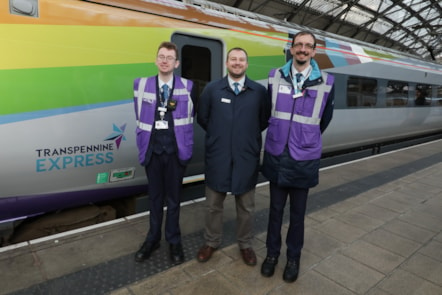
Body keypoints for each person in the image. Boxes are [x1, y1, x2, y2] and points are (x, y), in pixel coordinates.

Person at [260, 31, 335, 283]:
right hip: (277, 155)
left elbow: (323, 120)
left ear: (314, 52)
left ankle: (293, 258)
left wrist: (304, 137)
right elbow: (266, 113)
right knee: (275, 211)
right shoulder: (275, 77)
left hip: (304, 158)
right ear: (291, 49)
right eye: (298, 45)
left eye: (308, 46)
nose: (302, 49)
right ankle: (271, 255)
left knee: (297, 215)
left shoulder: (326, 82)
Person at [196, 47, 270, 266]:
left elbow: (263, 120)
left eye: (241, 60)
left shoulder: (258, 92)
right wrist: (221, 137)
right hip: (218, 156)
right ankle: (211, 241)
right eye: (233, 59)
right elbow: (203, 118)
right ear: (227, 63)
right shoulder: (212, 89)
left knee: (246, 207)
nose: (237, 63)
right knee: (212, 205)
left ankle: (245, 245)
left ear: (247, 65)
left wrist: (244, 139)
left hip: (246, 157)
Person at [133, 41, 196, 265]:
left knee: (174, 199)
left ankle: (173, 240)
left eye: (169, 57)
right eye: (161, 56)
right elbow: (139, 116)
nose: (165, 60)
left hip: (176, 152)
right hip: (152, 151)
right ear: (155, 59)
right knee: (155, 198)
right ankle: (153, 239)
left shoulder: (188, 86)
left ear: (176, 63)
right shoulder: (140, 85)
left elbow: (190, 117)